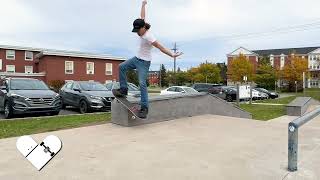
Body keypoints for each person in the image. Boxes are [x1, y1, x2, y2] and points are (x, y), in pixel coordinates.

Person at [113, 0, 183, 119]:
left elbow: (160, 47)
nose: (137, 34)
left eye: (138, 31)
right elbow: (142, 16)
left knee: (142, 83)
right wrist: (143, 4)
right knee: (121, 67)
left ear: (144, 28)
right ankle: (124, 89)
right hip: (136, 59)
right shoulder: (142, 24)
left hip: (144, 63)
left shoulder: (149, 36)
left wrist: (172, 55)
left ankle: (144, 107)